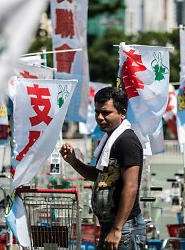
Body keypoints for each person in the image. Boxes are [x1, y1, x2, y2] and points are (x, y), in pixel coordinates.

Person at [60, 87, 145, 250]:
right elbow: (100, 176)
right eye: (97, 112)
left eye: (106, 112)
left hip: (124, 227)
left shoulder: (126, 141)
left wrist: (117, 229)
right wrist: (73, 161)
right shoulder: (109, 139)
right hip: (113, 226)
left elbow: (131, 186)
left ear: (122, 113)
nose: (100, 117)